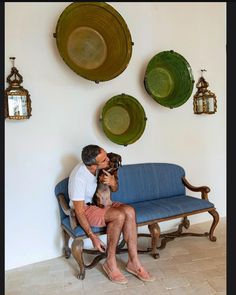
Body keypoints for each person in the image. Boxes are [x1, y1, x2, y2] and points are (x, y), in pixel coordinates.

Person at [68, 144, 155, 284]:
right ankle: (110, 262)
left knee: (130, 211)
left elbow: (114, 189)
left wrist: (113, 182)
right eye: (104, 160)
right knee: (119, 215)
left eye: (106, 155)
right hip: (85, 209)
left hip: (101, 203)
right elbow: (79, 210)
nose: (108, 159)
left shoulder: (98, 168)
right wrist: (92, 236)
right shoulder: (79, 177)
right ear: (94, 166)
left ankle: (134, 262)